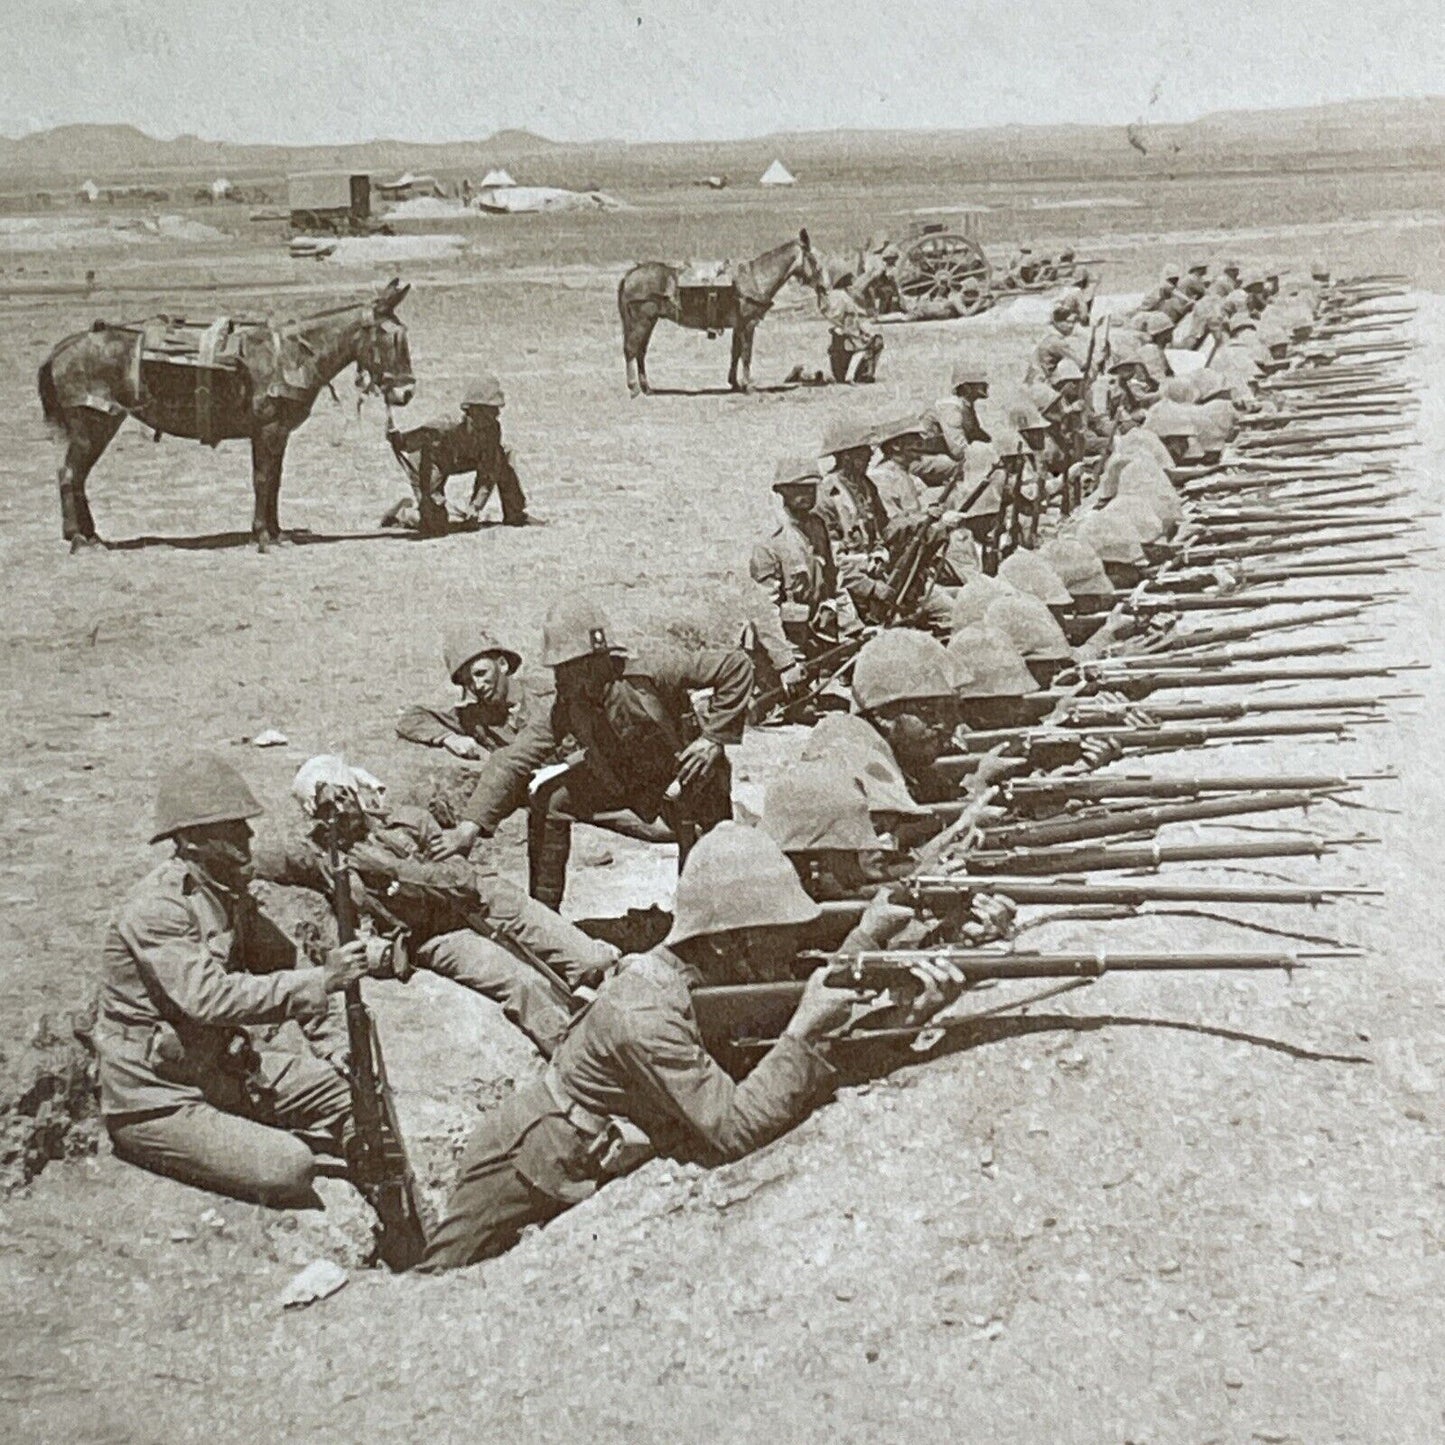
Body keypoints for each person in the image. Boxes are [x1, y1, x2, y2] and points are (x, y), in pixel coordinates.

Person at [420, 823, 905, 1269]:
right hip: (527, 1162)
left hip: (584, 1149)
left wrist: (865, 938)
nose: (791, 950)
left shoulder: (694, 981)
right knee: (438, 1283)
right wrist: (802, 1032)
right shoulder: (646, 1013)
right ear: (722, 945)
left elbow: (800, 1003)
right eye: (777, 938)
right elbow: (735, 1129)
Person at [96, 755, 392, 1207]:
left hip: (222, 1071)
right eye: (231, 829)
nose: (248, 837)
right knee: (290, 1166)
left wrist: (337, 1048)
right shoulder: (157, 909)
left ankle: (370, 1174)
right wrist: (325, 978)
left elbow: (288, 966)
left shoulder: (229, 894)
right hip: (159, 1099)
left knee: (359, 1094)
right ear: (190, 841)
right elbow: (209, 999)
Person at [252, 756, 619, 1059]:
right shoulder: (322, 856)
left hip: (485, 898)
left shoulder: (409, 820)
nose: (340, 812)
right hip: (435, 935)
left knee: (593, 962)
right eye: (327, 807)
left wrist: (392, 869)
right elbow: (265, 859)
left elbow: (459, 879)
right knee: (523, 986)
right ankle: (581, 1063)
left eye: (343, 797)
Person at [454, 595, 753, 908]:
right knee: (550, 799)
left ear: (595, 659)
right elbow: (513, 759)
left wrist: (712, 740)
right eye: (558, 668)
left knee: (705, 883)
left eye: (569, 667)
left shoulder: (651, 667)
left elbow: (736, 666)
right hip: (624, 788)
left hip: (689, 786)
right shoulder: (567, 706)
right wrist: (468, 828)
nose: (561, 678)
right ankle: (544, 917)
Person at [746, 457, 862, 697]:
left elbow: (835, 583)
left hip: (815, 634)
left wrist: (853, 630)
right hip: (779, 645)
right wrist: (786, 663)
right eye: (798, 489)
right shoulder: (770, 540)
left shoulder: (817, 527)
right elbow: (764, 612)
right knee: (790, 708)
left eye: (811, 488)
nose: (806, 494)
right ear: (781, 491)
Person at [383, 374, 534, 536]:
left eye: (497, 409)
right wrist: (396, 438)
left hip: (464, 460)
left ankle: (515, 513)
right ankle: (403, 513)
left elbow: (488, 471)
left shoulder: (492, 429)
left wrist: (475, 507)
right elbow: (408, 442)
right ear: (474, 411)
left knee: (503, 454)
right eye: (491, 410)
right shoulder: (446, 425)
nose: (497, 414)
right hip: (432, 464)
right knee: (434, 525)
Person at [395, 627, 534, 761]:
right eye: (468, 681)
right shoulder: (474, 718)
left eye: (481, 673)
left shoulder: (546, 696)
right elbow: (410, 718)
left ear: (503, 665)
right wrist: (449, 738)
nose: (477, 686)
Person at [820, 282, 883, 383]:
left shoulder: (832, 302)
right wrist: (864, 337)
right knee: (871, 346)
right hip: (848, 347)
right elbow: (852, 331)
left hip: (838, 371)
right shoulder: (846, 303)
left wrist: (863, 333)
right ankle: (852, 376)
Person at [1028, 303, 1085, 383]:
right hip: (1044, 382)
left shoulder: (1050, 336)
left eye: (1073, 323)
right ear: (1058, 323)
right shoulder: (1057, 342)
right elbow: (1080, 361)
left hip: (1036, 378)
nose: (1071, 326)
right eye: (1068, 322)